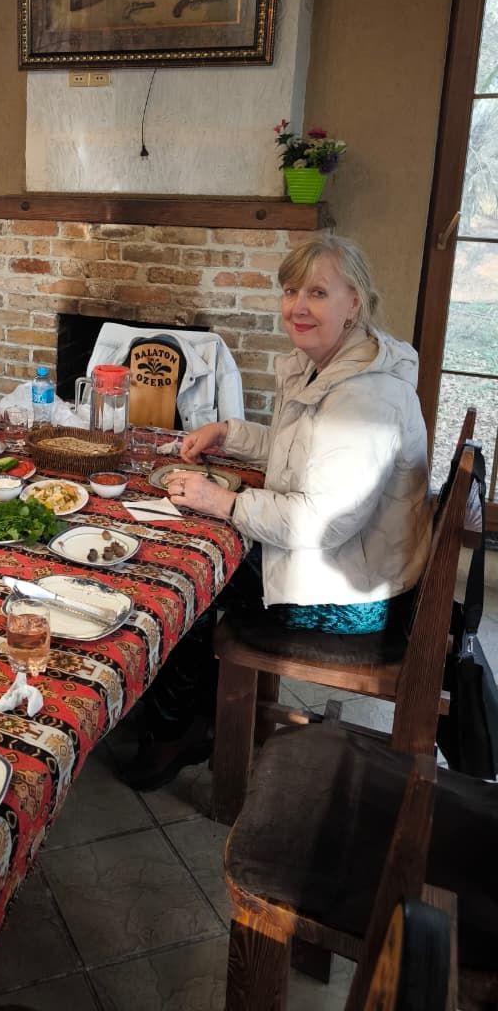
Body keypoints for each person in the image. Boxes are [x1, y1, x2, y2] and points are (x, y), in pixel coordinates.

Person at [124, 234, 432, 790]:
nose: (298, 307)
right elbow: (300, 453)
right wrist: (227, 432)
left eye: (318, 292)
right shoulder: (331, 365)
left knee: (180, 575)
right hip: (347, 565)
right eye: (291, 291)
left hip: (353, 596)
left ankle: (176, 729)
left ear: (354, 303)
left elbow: (322, 520)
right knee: (193, 553)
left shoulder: (367, 398)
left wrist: (225, 501)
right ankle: (192, 706)